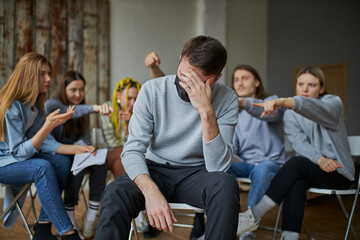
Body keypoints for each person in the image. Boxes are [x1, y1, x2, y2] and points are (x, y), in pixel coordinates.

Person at [95, 35, 240, 240]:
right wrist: (150, 191)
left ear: (215, 79)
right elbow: (132, 150)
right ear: (180, 58)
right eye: (183, 74)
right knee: (115, 192)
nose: (185, 86)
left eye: (197, 82)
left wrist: (206, 112)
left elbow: (218, 167)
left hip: (197, 173)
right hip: (154, 169)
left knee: (226, 186)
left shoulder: (228, 99)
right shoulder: (152, 90)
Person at [237, 66, 355, 240]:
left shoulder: (333, 103)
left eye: (312, 85)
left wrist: (286, 102)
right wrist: (321, 160)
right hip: (313, 170)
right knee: (296, 180)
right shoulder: (291, 115)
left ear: (321, 88)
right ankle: (289, 237)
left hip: (339, 172)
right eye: (300, 84)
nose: (305, 89)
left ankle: (253, 215)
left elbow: (320, 111)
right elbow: (299, 144)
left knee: (296, 163)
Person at [0, 52, 94, 240]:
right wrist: (48, 126)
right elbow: (18, 152)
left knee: (61, 161)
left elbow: (48, 144)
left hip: (19, 159)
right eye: (42, 74)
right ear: (29, 76)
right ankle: (68, 234)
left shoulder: (35, 106)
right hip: (4, 164)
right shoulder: (12, 106)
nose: (49, 78)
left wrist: (79, 149)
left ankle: (43, 228)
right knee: (42, 167)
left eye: (48, 73)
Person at [44, 70, 113, 239]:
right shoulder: (52, 104)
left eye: (81, 90)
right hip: (58, 154)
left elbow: (85, 139)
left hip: (77, 153)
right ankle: (70, 214)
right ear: (64, 89)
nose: (78, 94)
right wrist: (95, 108)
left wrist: (89, 148)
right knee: (76, 162)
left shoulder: (84, 113)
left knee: (100, 160)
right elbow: (70, 111)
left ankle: (91, 214)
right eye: (73, 90)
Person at [99, 77, 140, 178]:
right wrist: (126, 124)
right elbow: (112, 143)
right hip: (107, 153)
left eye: (136, 99)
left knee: (119, 162)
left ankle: (123, 192)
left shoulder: (139, 112)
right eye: (129, 98)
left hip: (123, 155)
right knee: (123, 154)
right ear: (118, 95)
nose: (133, 103)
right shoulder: (108, 108)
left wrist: (128, 124)